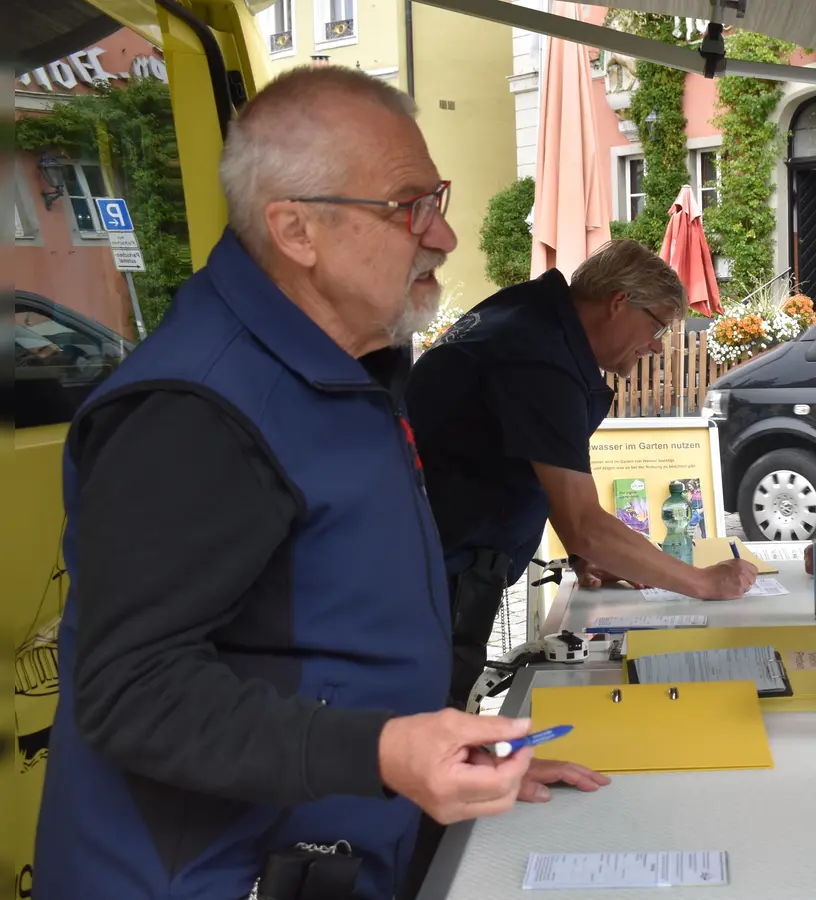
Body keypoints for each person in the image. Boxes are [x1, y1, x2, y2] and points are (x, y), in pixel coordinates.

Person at [32, 66, 605, 900]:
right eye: (410, 207)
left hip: (325, 849)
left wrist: (445, 772)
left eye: (435, 201)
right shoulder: (199, 406)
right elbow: (131, 692)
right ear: (296, 230)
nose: (442, 237)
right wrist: (382, 755)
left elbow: (329, 636)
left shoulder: (348, 367)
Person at [404, 239, 759, 710]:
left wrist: (587, 547)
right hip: (426, 580)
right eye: (658, 326)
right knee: (424, 735)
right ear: (618, 303)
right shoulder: (540, 354)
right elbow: (587, 525)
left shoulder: (529, 317)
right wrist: (703, 582)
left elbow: (523, 461)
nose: (656, 346)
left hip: (419, 561)